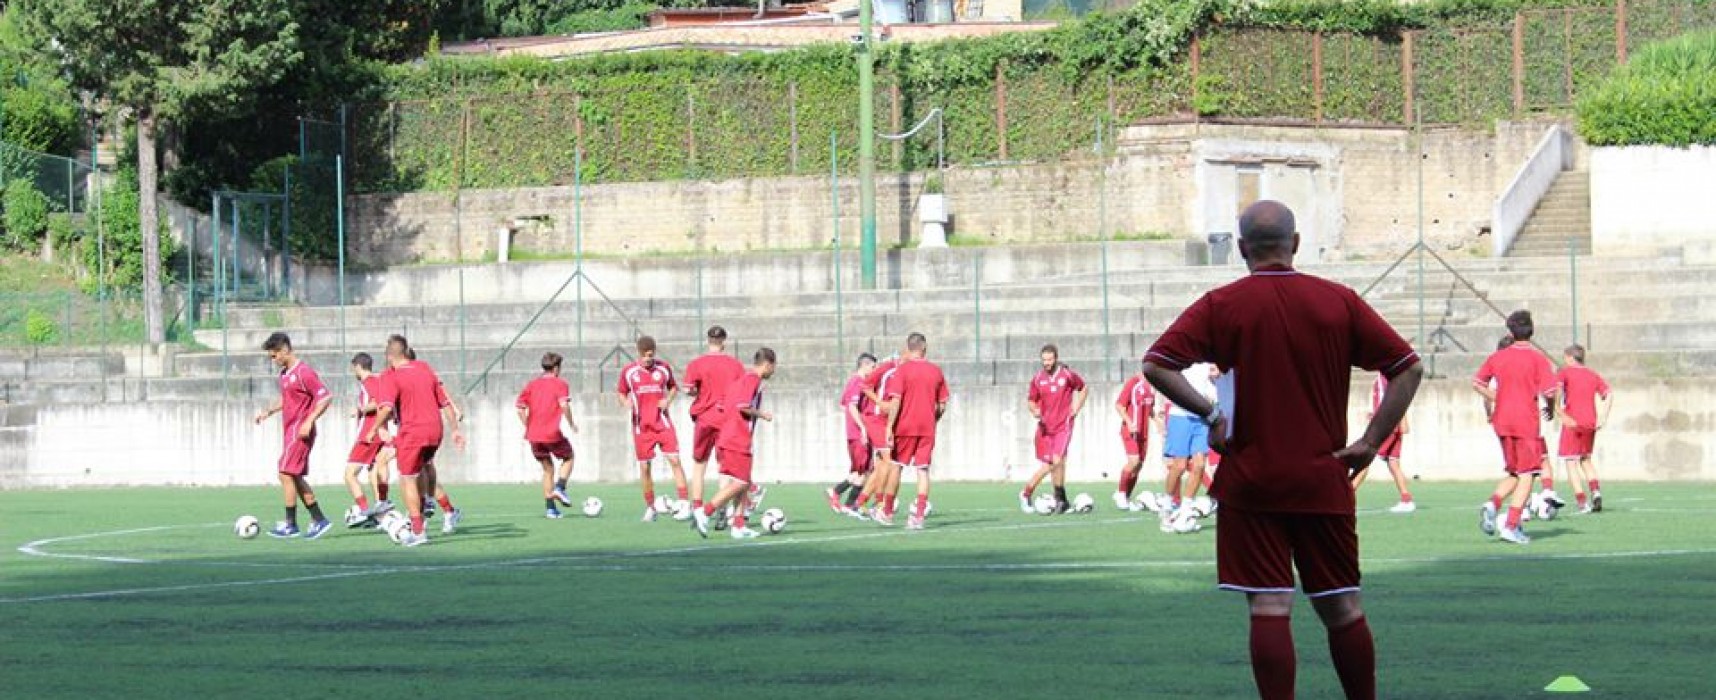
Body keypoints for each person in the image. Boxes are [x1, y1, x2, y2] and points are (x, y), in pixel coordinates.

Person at [1144, 200, 1422, 700]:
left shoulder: (1221, 304)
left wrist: (1212, 416)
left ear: (1242, 248)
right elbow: (1408, 367)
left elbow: (1156, 365)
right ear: (1294, 245)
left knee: (1270, 607)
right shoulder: (1337, 301)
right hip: (1322, 478)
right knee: (1343, 607)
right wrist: (1370, 441)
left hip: (1251, 481)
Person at [370, 335, 465, 547]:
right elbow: (445, 402)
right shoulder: (424, 368)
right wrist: (455, 430)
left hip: (413, 432)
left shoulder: (390, 376)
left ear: (389, 356)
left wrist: (374, 429)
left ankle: (418, 530)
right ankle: (429, 508)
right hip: (435, 431)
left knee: (406, 479)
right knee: (421, 469)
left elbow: (385, 407)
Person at [1473, 311, 1557, 544]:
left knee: (1514, 472)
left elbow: (1477, 383)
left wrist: (1497, 397)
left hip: (1502, 422)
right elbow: (1550, 391)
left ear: (1510, 332)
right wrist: (1549, 407)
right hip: (1525, 422)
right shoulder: (1538, 359)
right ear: (1532, 330)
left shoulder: (1497, 357)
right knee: (1528, 474)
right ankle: (1511, 525)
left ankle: (1492, 504)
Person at [254, 333, 335, 539]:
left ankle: (290, 524)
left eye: (274, 356)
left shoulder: (304, 372)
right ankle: (319, 519)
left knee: (285, 472)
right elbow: (286, 398)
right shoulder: (285, 374)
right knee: (293, 475)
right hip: (290, 430)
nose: (273, 361)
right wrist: (268, 412)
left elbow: (325, 397)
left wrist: (309, 421)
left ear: (284, 350)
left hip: (300, 431)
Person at [692, 348, 778, 540]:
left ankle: (739, 526)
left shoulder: (739, 382)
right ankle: (704, 512)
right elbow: (743, 406)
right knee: (741, 483)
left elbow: (724, 405)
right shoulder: (752, 380)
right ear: (767, 365)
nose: (774, 371)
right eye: (774, 367)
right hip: (737, 439)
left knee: (743, 483)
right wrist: (762, 414)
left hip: (730, 436)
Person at [617, 335, 688, 522]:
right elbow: (621, 392)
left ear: (654, 352)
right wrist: (625, 402)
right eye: (644, 355)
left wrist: (668, 400)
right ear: (638, 354)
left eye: (650, 355)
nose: (647, 359)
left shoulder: (663, 368)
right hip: (642, 428)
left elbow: (673, 387)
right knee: (645, 468)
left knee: (675, 460)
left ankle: (683, 504)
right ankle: (650, 507)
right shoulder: (629, 372)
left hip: (662, 424)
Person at [888, 333, 950, 531]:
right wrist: (934, 420)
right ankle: (919, 516)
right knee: (922, 470)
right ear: (924, 348)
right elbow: (942, 404)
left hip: (905, 427)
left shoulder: (902, 370)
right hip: (927, 428)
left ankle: (887, 511)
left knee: (897, 466)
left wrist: (889, 426)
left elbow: (896, 401)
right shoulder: (935, 371)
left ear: (908, 348)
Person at [1018, 344, 1087, 515]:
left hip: (1063, 425)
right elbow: (1031, 401)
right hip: (1045, 429)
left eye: (1049, 360)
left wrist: (1076, 408)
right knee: (1051, 465)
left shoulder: (1067, 375)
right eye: (1044, 360)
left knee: (1057, 460)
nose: (1046, 363)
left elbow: (1083, 388)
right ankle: (1029, 493)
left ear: (1055, 358)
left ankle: (1060, 500)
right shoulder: (1038, 379)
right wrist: (1034, 410)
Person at [684, 326, 745, 518]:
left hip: (704, 419)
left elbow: (688, 390)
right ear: (724, 342)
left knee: (699, 464)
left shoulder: (696, 364)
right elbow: (742, 392)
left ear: (708, 341)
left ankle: (696, 508)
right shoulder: (735, 365)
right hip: (726, 420)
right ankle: (721, 509)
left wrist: (696, 391)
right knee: (724, 467)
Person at [1158, 363, 1218, 531]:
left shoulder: (1208, 359)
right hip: (1180, 416)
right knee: (1179, 465)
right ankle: (1167, 505)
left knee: (1199, 464)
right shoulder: (1182, 359)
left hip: (1201, 418)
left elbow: (1215, 376)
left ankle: (1185, 510)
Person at [518, 352, 578, 519]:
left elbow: (519, 408)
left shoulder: (531, 385)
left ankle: (551, 509)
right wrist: (572, 423)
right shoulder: (560, 384)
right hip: (551, 433)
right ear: (557, 368)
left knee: (547, 469)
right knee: (569, 457)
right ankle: (560, 487)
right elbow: (564, 405)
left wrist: (528, 426)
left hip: (533, 436)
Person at [1554, 344, 1612, 514]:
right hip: (1590, 422)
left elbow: (1555, 394)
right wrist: (1603, 417)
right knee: (1585, 459)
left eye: (1565, 357)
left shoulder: (1564, 372)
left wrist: (1559, 412)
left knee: (1570, 462)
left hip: (1572, 421)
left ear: (1571, 357)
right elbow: (1608, 394)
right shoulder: (1592, 374)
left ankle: (1582, 502)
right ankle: (1596, 492)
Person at [1351, 373, 1415, 514]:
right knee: (1393, 463)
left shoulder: (1386, 377)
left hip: (1387, 424)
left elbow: (1396, 399)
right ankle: (1406, 500)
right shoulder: (1387, 377)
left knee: (1365, 458)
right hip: (1392, 423)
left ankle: (1348, 495)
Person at [343, 353, 394, 527]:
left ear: (358, 366)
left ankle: (364, 511)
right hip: (376, 433)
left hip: (368, 435)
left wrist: (361, 410)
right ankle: (381, 512)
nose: (353, 372)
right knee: (373, 472)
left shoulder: (369, 382)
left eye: (353, 368)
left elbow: (379, 402)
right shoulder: (377, 380)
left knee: (350, 474)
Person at [850, 352, 903, 522]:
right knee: (890, 460)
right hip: (875, 419)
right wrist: (880, 404)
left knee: (881, 464)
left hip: (885, 421)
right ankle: (880, 504)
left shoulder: (905, 371)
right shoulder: (888, 368)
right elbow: (866, 385)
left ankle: (859, 503)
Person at [829, 353, 879, 513]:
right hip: (858, 434)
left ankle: (849, 505)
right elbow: (851, 406)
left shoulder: (855, 382)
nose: (874, 370)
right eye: (872, 367)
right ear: (864, 365)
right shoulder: (857, 382)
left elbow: (844, 403)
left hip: (857, 433)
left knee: (863, 472)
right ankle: (837, 493)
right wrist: (862, 427)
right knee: (864, 473)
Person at [1113, 360, 1163, 511]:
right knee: (1133, 461)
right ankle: (1120, 494)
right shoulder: (1133, 383)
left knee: (1139, 466)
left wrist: (1157, 422)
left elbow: (1149, 409)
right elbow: (1119, 405)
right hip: (1131, 431)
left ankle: (1127, 497)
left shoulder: (1150, 387)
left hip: (1143, 432)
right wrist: (1129, 422)